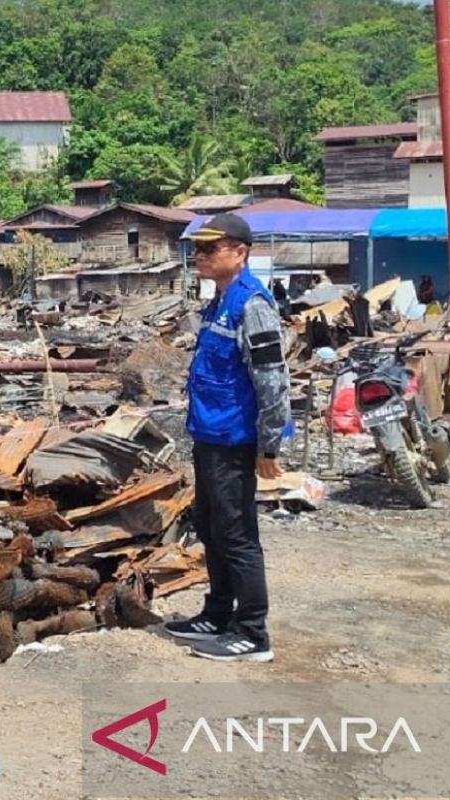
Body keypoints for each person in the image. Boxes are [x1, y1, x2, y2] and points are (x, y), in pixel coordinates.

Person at [164, 213, 291, 663]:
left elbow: (273, 381)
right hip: (209, 436)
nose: (199, 256)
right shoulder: (218, 302)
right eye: (197, 249)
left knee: (238, 535)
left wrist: (269, 445)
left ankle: (253, 633)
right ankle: (217, 615)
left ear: (239, 253)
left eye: (209, 249)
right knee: (212, 529)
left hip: (235, 440)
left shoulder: (251, 304)